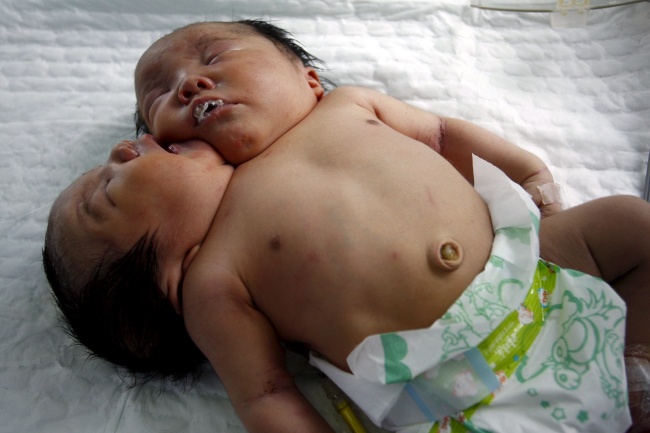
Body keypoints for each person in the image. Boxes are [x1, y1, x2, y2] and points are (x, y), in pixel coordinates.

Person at [42, 19, 650, 433]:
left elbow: (443, 134)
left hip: (536, 272)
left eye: (214, 56)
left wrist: (531, 175)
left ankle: (636, 370)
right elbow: (266, 395)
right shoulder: (214, 276)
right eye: (158, 99)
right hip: (447, 392)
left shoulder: (349, 104)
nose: (189, 83)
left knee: (629, 221)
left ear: (307, 79)